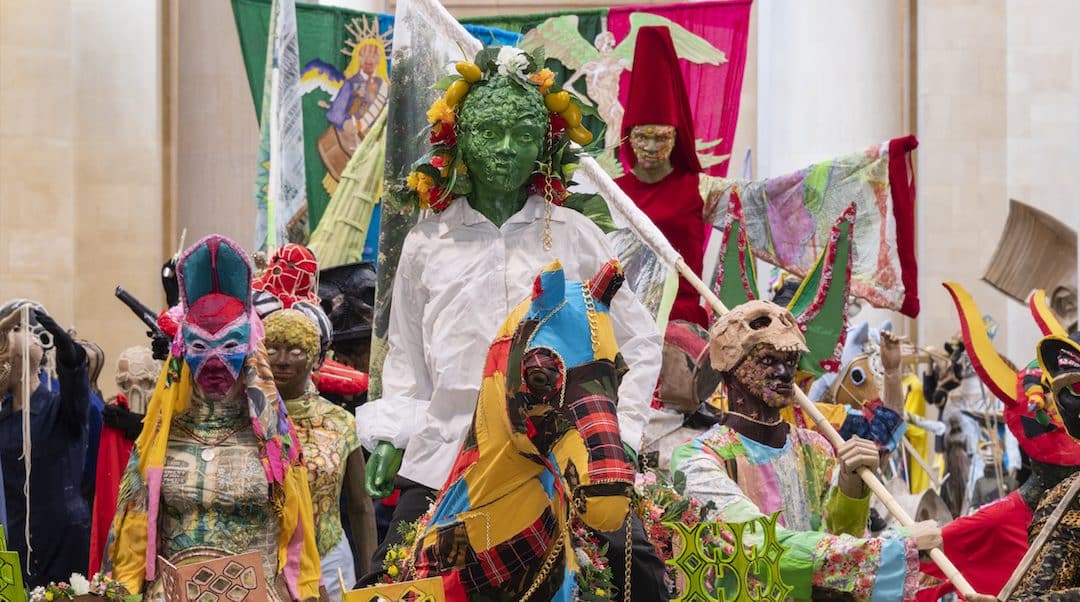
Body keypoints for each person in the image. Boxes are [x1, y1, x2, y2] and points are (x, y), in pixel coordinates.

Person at [357, 48, 664, 598]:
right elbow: (405, 355)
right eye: (490, 131)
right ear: (459, 140)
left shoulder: (574, 234)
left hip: (562, 452)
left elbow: (637, 342)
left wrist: (625, 433)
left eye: (522, 134)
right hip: (447, 449)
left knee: (635, 568)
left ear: (544, 144)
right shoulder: (427, 241)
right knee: (387, 581)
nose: (505, 148)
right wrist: (392, 434)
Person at [673, 300, 941, 600]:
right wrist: (895, 548)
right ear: (730, 370)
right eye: (767, 360)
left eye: (790, 361)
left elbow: (841, 536)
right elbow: (765, 548)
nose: (784, 372)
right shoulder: (698, 459)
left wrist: (851, 488)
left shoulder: (814, 447)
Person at [105, 235, 321, 601]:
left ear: (251, 350)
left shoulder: (274, 444)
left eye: (230, 346)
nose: (215, 362)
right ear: (183, 350)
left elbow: (300, 546)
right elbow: (130, 545)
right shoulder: (160, 441)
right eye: (201, 347)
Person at [263, 309, 376, 601]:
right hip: (264, 561)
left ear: (317, 359)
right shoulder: (246, 422)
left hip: (329, 561)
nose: (283, 360)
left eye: (296, 350)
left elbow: (360, 505)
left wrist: (371, 579)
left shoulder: (339, 422)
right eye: (273, 349)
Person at [0, 300, 92, 588]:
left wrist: (67, 350)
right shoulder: (3, 416)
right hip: (15, 533)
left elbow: (76, 383)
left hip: (62, 538)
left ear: (16, 363)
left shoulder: (60, 410)